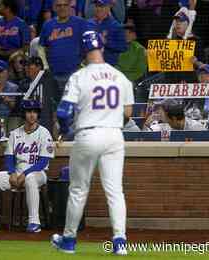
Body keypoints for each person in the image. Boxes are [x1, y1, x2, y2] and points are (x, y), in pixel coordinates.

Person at [51, 31, 134, 255]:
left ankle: (68, 240)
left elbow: (63, 110)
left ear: (83, 51)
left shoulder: (79, 76)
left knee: (78, 189)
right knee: (115, 191)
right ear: (102, 49)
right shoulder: (120, 76)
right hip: (115, 135)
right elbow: (128, 111)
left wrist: (66, 129)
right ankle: (120, 242)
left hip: (88, 134)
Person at [0, 99, 55, 233]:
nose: (32, 115)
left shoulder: (44, 133)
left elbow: (43, 161)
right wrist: (12, 172)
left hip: (38, 173)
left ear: (38, 114)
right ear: (24, 114)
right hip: (17, 173)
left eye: (35, 112)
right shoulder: (15, 134)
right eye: (28, 112)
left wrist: (25, 174)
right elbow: (9, 157)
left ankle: (34, 222)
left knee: (30, 179)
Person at [39, 0, 89, 96]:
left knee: (74, 105)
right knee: (56, 106)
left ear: (70, 6)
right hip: (53, 73)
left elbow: (88, 45)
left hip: (75, 73)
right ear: (54, 7)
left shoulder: (80, 23)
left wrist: (84, 64)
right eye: (59, 5)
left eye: (65, 5)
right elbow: (41, 47)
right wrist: (45, 66)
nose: (62, 8)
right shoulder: (48, 25)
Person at [17, 56, 60, 135]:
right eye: (25, 66)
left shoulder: (50, 82)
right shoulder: (23, 84)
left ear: (39, 67)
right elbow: (19, 106)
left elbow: (56, 102)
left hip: (46, 123)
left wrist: (55, 121)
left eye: (29, 65)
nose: (26, 68)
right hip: (27, 125)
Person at [88, 0, 127, 66]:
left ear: (108, 7)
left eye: (101, 6)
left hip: (108, 66)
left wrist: (106, 42)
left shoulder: (116, 25)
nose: (98, 9)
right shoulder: (88, 23)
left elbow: (122, 47)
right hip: (90, 65)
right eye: (96, 6)